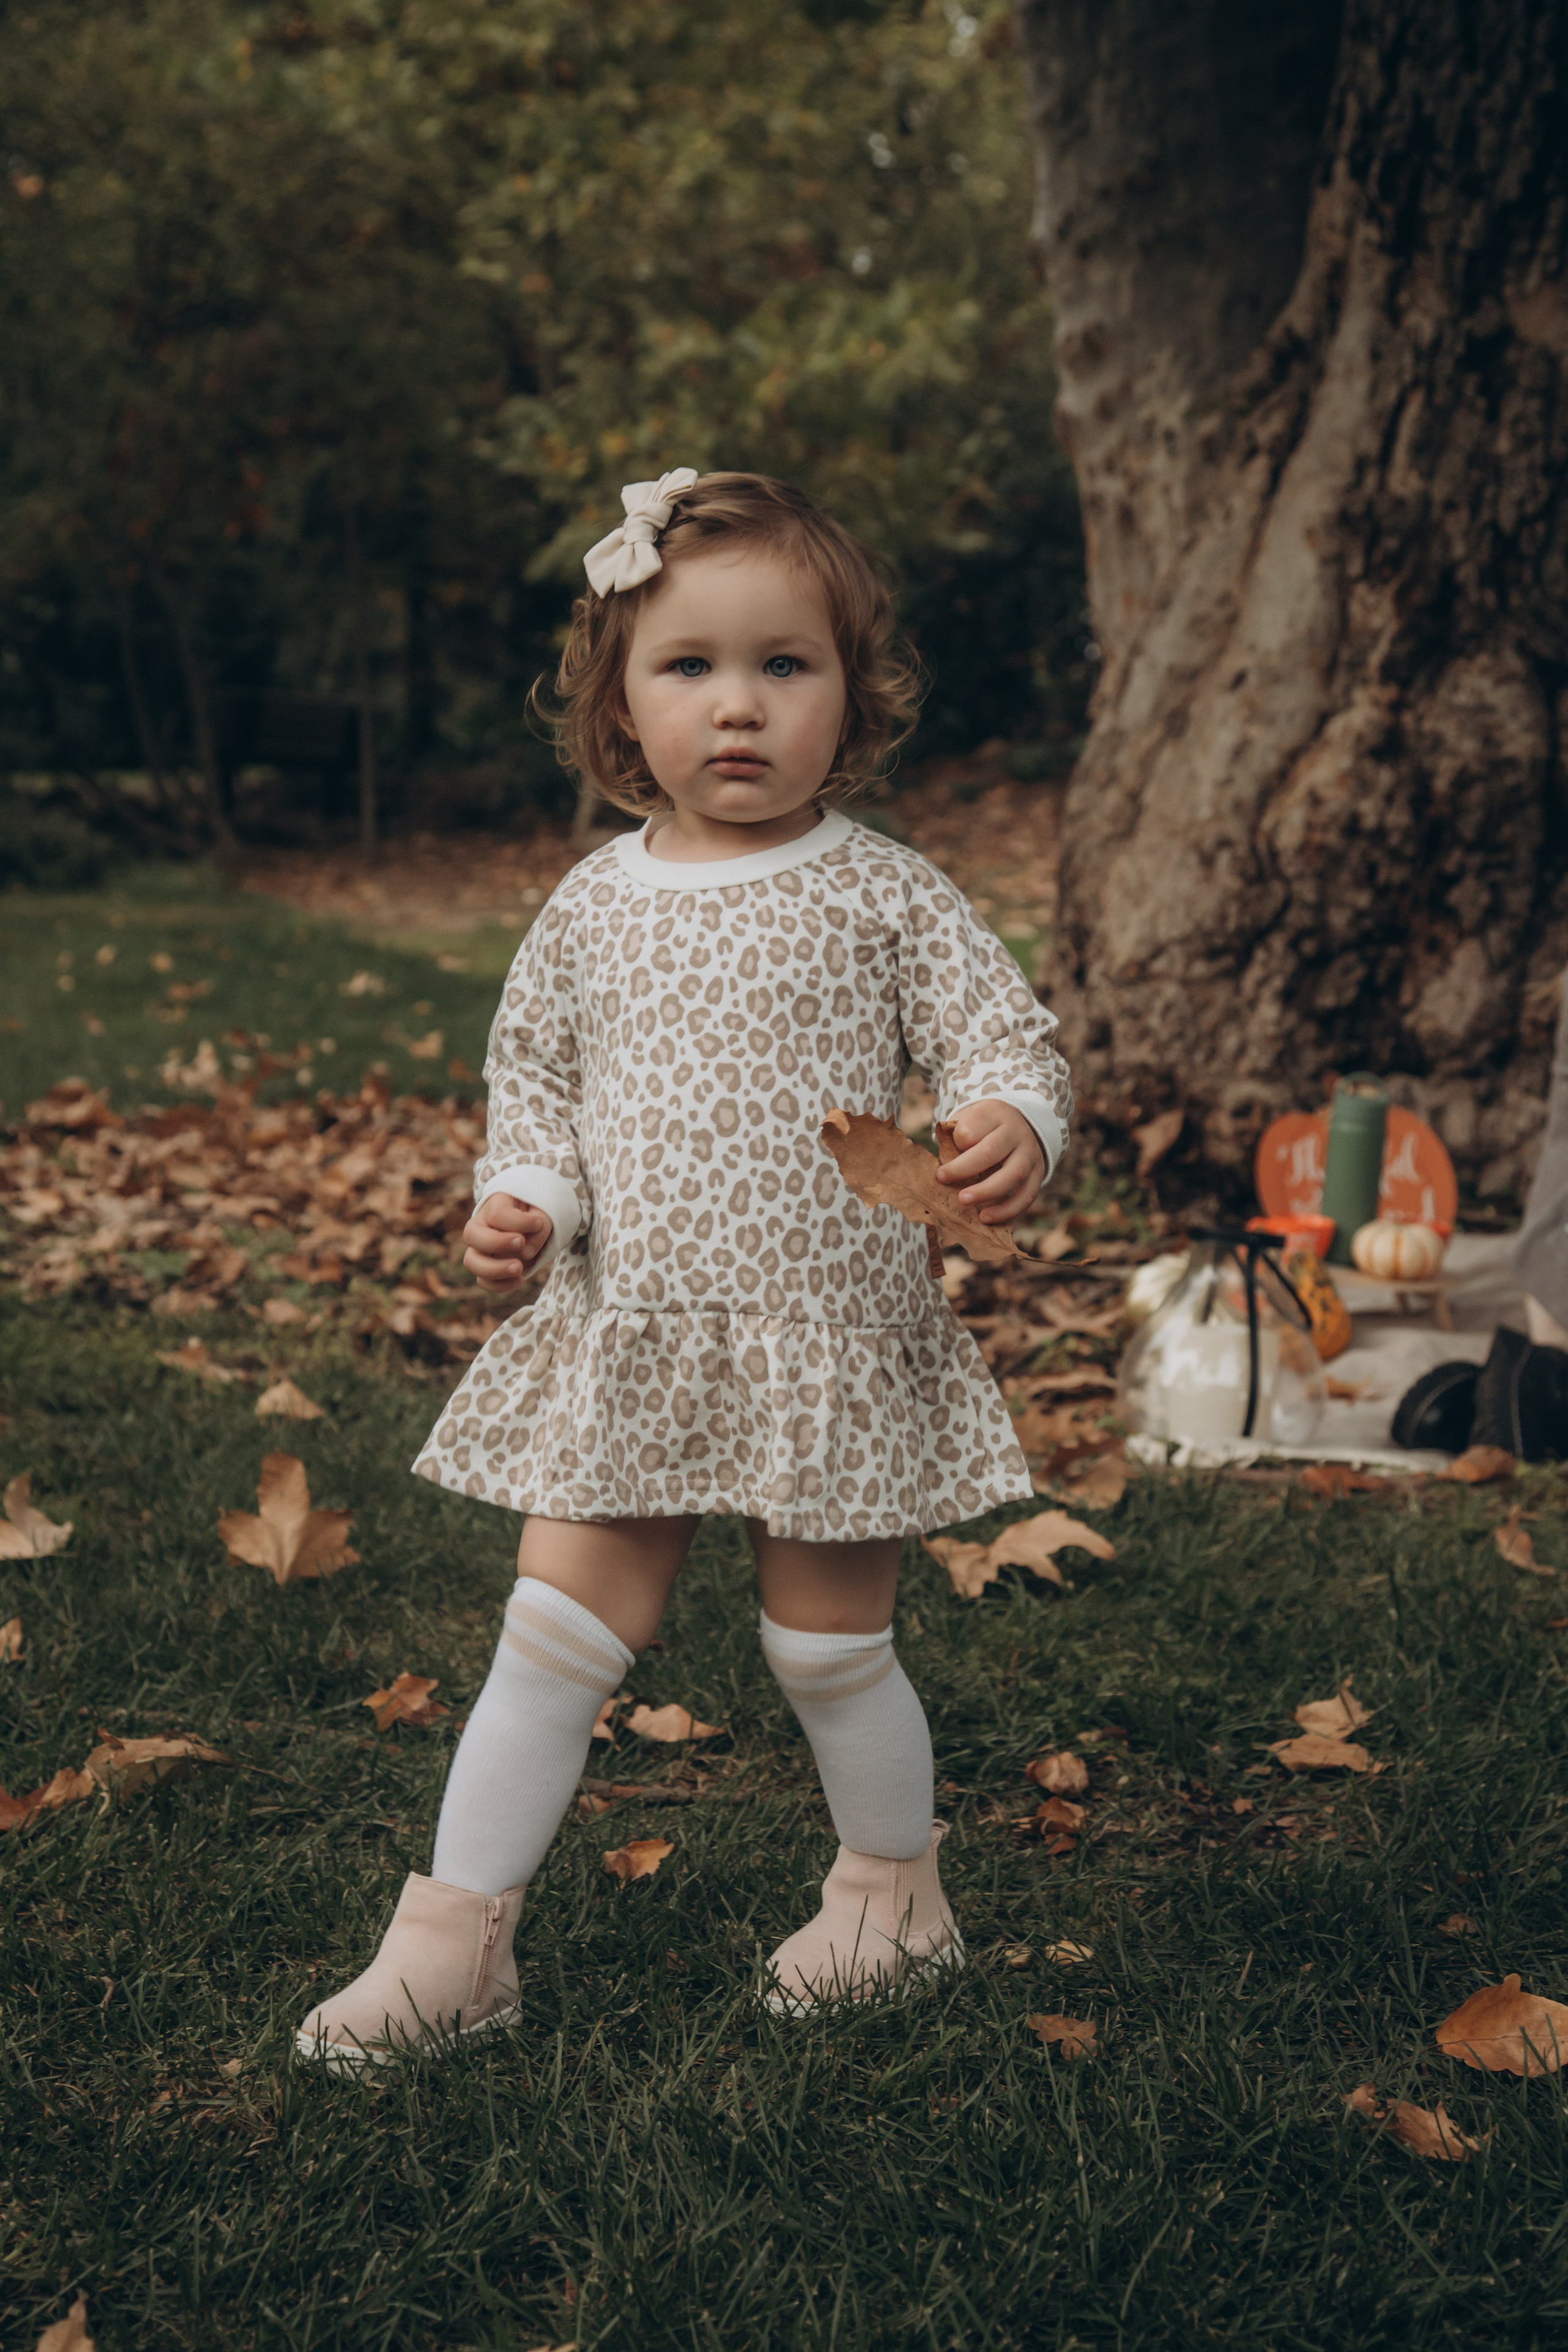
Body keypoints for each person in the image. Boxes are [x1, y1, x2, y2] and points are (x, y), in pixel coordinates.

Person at [296, 469, 1072, 2070]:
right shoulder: (591, 908)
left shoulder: (883, 890)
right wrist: (524, 1199)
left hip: (823, 1333)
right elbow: (543, 1097)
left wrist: (1013, 1120)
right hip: (632, 1325)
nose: (740, 707)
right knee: (553, 1630)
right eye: (691, 667)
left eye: (786, 666)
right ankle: (453, 1945)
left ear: (851, 699)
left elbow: (1005, 1036)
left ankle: (893, 1900)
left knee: (827, 1645)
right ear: (617, 705)